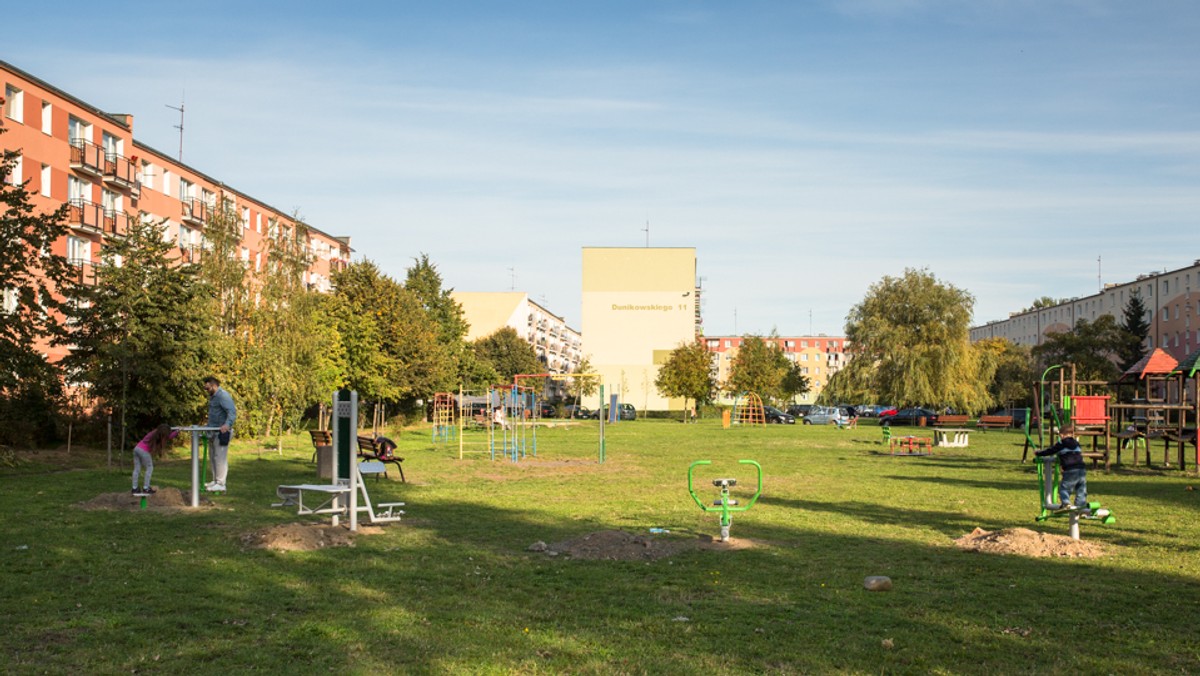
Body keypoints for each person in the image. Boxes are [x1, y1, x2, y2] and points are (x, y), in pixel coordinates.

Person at [1035, 424, 1087, 511]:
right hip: (1081, 469)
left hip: (1070, 470)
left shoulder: (1061, 444)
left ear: (1062, 435)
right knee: (1081, 488)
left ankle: (1066, 502)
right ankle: (1081, 506)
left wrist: (1038, 453)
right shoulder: (1077, 443)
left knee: (1064, 489)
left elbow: (1051, 451)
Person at [202, 376, 237, 492]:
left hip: (222, 432)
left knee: (220, 458)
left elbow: (232, 412)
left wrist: (227, 425)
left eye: (207, 388)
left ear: (213, 385)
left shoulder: (223, 395)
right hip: (213, 431)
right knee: (213, 457)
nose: (206, 391)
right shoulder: (213, 397)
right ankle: (215, 481)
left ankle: (221, 483)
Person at [132, 424, 178, 494]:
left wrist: (176, 431)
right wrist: (177, 431)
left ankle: (134, 488)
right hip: (143, 450)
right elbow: (168, 437)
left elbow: (168, 436)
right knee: (149, 467)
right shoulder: (158, 436)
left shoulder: (155, 433)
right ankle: (146, 488)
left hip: (136, 448)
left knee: (136, 469)